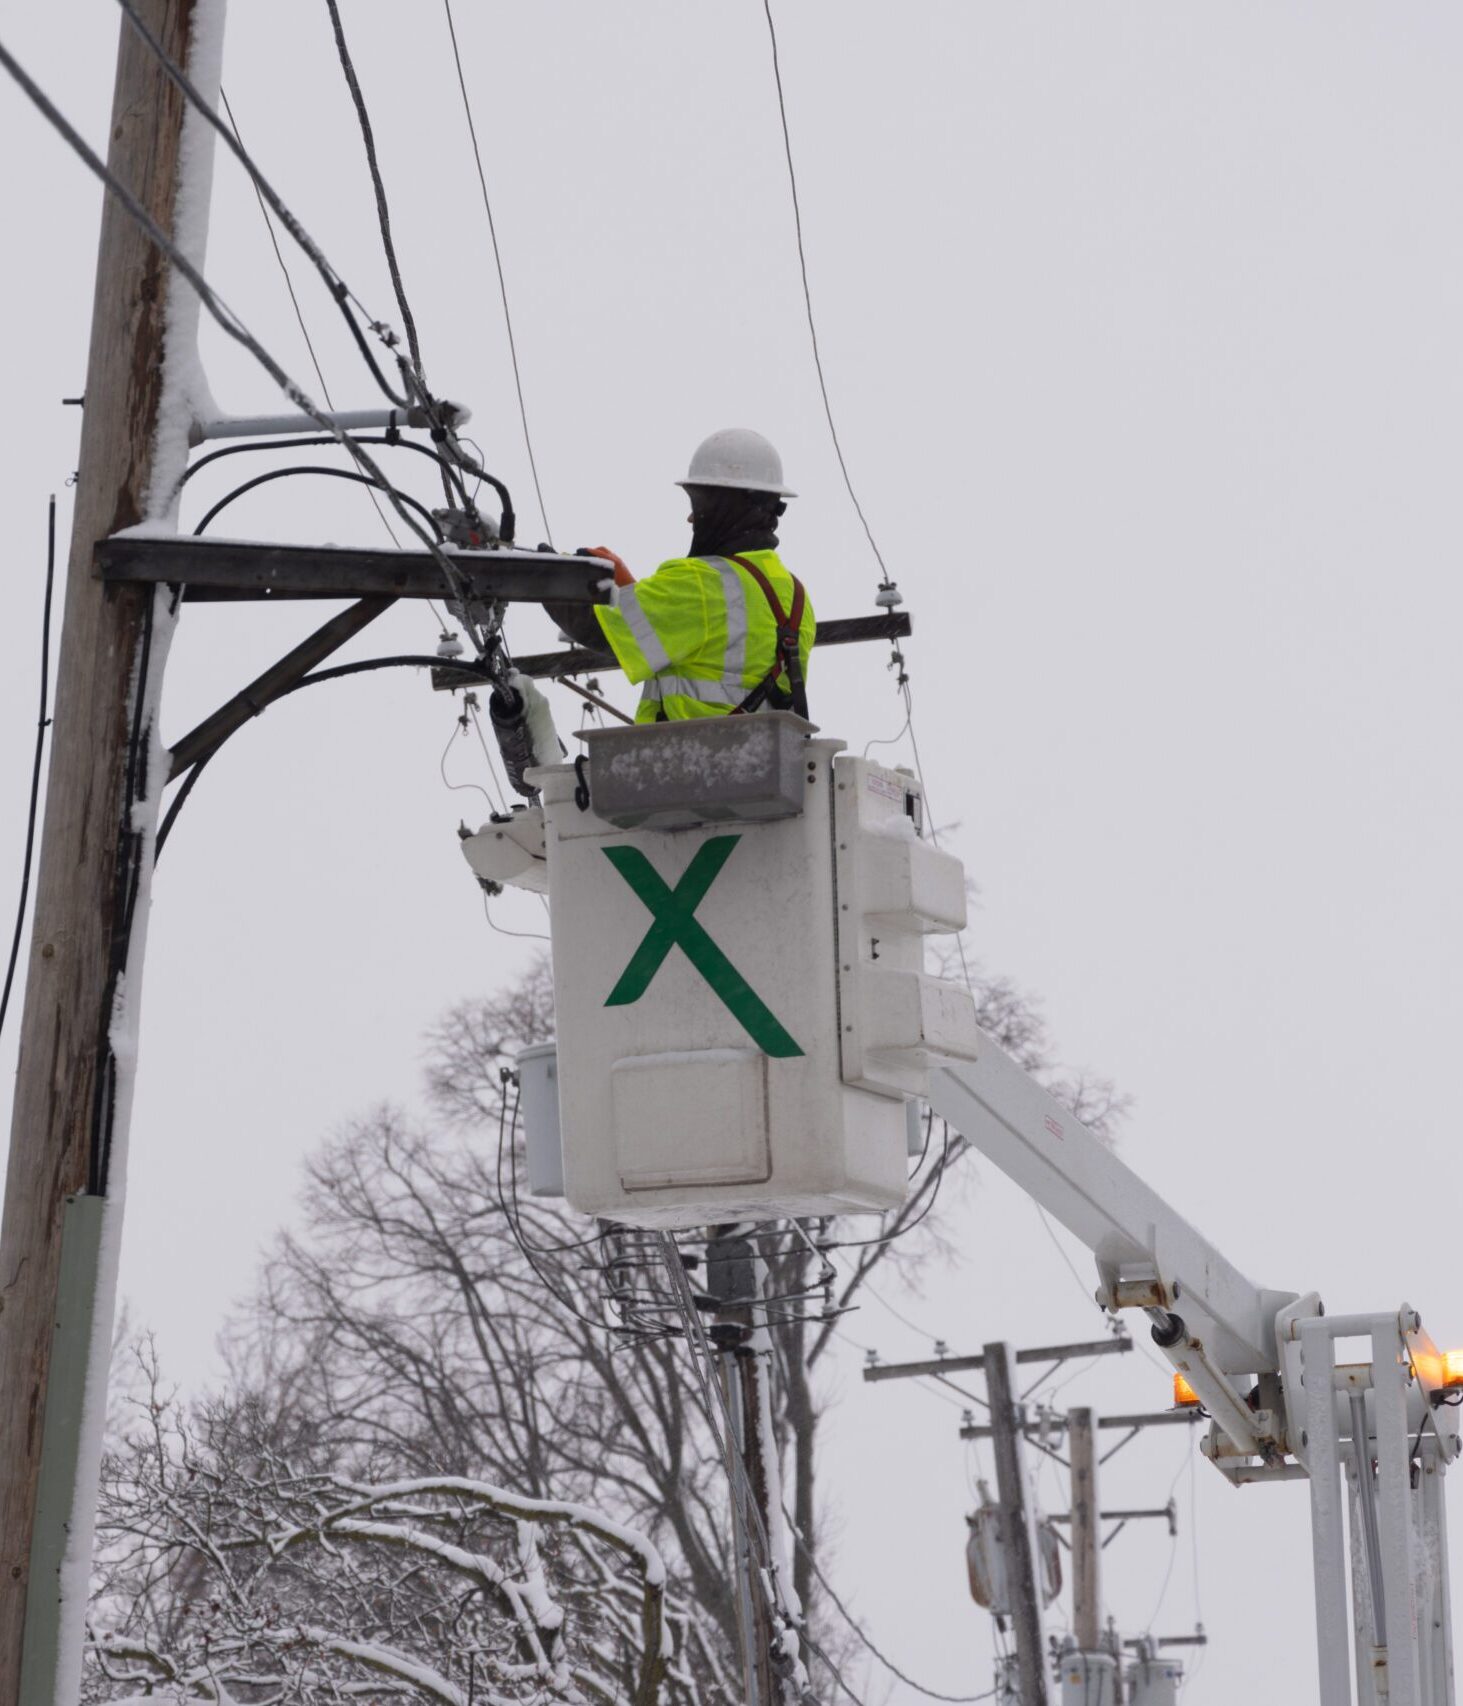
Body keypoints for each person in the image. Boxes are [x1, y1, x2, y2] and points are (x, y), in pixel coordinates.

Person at [547, 429, 815, 723]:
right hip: (764, 764)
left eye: (698, 505)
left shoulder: (701, 583)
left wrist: (541, 572)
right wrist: (630, 590)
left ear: (724, 506)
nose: (691, 518)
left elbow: (594, 626)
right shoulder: (795, 596)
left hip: (691, 762)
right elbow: (710, 644)